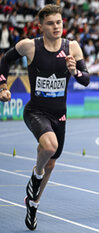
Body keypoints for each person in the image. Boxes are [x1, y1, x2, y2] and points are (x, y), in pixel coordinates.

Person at [0, 4, 90, 230]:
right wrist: (2, 85)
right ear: (40, 27)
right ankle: (35, 175)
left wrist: (74, 71)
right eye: (50, 23)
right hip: (35, 111)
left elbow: (86, 79)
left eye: (59, 22)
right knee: (49, 146)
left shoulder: (73, 47)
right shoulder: (29, 46)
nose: (56, 26)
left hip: (59, 115)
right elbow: (4, 60)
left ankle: (33, 204)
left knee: (51, 163)